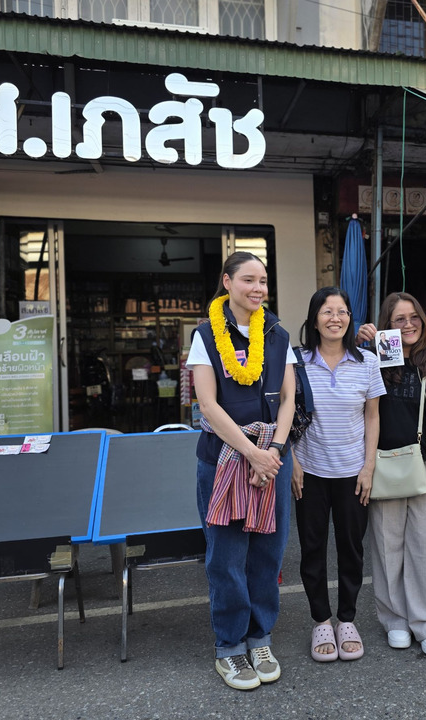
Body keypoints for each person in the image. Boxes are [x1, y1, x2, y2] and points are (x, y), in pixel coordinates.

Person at [187, 251, 296, 691]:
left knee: (268, 553)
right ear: (227, 282)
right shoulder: (205, 335)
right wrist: (252, 453)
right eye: (249, 279)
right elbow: (208, 405)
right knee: (227, 556)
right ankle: (229, 646)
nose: (258, 288)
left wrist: (274, 451)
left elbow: (289, 399)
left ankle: (260, 638)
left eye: (263, 281)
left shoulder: (277, 333)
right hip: (225, 458)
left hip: (273, 457)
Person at [357, 292, 426, 657]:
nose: (408, 325)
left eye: (414, 317)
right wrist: (362, 344)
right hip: (383, 465)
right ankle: (395, 620)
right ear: (386, 325)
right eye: (399, 319)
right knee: (387, 547)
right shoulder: (373, 361)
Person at [292, 287, 385, 663]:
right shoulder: (296, 362)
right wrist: (292, 462)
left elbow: (372, 416)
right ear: (314, 320)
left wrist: (369, 466)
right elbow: (284, 413)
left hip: (352, 473)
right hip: (309, 471)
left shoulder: (367, 362)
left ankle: (346, 620)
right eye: (327, 311)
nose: (335, 318)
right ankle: (320, 621)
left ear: (350, 318)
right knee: (312, 549)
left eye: (342, 311)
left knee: (352, 549)